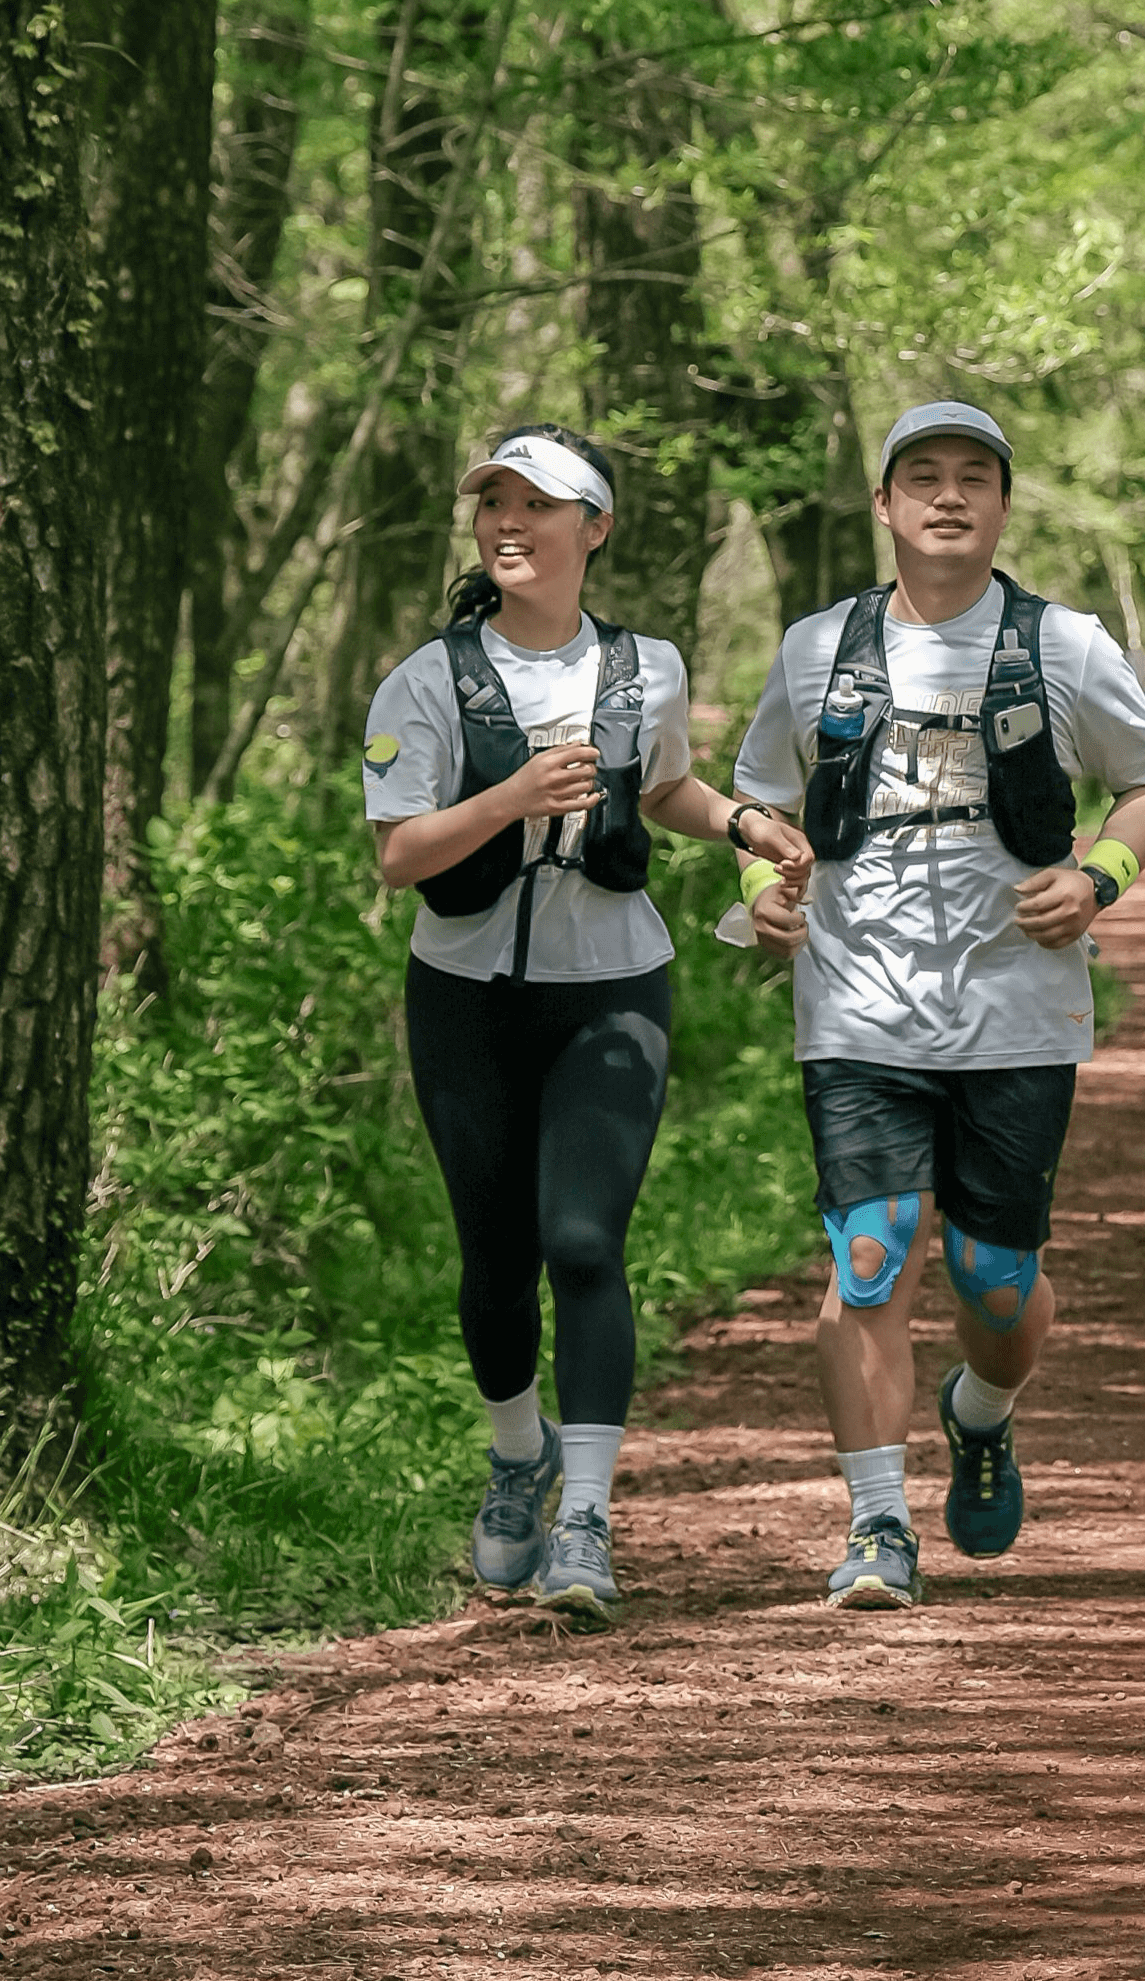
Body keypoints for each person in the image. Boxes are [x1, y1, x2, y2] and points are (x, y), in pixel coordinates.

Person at [730, 400, 1145, 1608]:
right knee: (870, 1258)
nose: (946, 496)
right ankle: (878, 1525)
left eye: (971, 478)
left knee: (994, 1283)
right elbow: (760, 797)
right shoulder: (815, 647)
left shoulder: (1064, 643)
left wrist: (1100, 879)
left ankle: (981, 1412)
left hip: (1019, 1011)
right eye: (919, 477)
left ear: (999, 504)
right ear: (882, 506)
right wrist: (762, 889)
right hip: (855, 1003)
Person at [363, 425, 814, 1623]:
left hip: (613, 984)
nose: (509, 524)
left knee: (581, 1240)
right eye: (493, 503)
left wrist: (743, 826)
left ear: (594, 529)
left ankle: (586, 1520)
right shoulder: (426, 680)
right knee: (497, 1263)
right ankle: (520, 1457)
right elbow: (400, 856)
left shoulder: (645, 668)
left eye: (538, 505)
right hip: (463, 995)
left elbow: (662, 786)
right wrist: (511, 796)